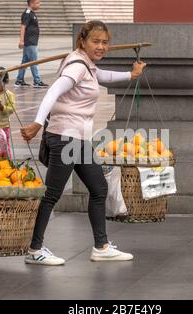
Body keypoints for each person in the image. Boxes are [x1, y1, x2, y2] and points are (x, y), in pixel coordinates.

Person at [21, 20, 147, 266]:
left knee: (99, 189)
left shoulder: (86, 64)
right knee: (52, 194)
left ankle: (101, 246)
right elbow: (53, 92)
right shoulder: (77, 66)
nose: (101, 46)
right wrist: (37, 122)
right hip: (65, 137)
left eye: (105, 42)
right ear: (83, 41)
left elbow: (103, 75)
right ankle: (35, 249)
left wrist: (131, 75)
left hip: (78, 139)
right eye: (95, 41)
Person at [15, 0, 48, 88]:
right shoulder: (27, 13)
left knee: (25, 61)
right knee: (34, 62)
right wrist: (21, 40)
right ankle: (37, 81)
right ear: (31, 3)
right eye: (37, 3)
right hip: (30, 42)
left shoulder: (31, 13)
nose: (39, 4)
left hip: (31, 41)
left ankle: (19, 80)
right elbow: (23, 27)